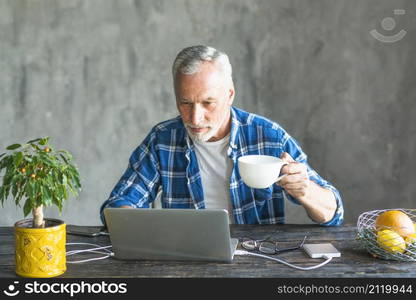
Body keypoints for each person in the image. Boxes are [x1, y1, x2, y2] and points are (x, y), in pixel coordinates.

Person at [100, 45, 343, 226]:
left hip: (259, 262)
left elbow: (335, 213)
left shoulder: (268, 136)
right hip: (185, 262)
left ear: (229, 95)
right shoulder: (163, 139)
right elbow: (118, 205)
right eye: (185, 103)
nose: (195, 119)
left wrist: (305, 190)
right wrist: (126, 215)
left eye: (208, 103)